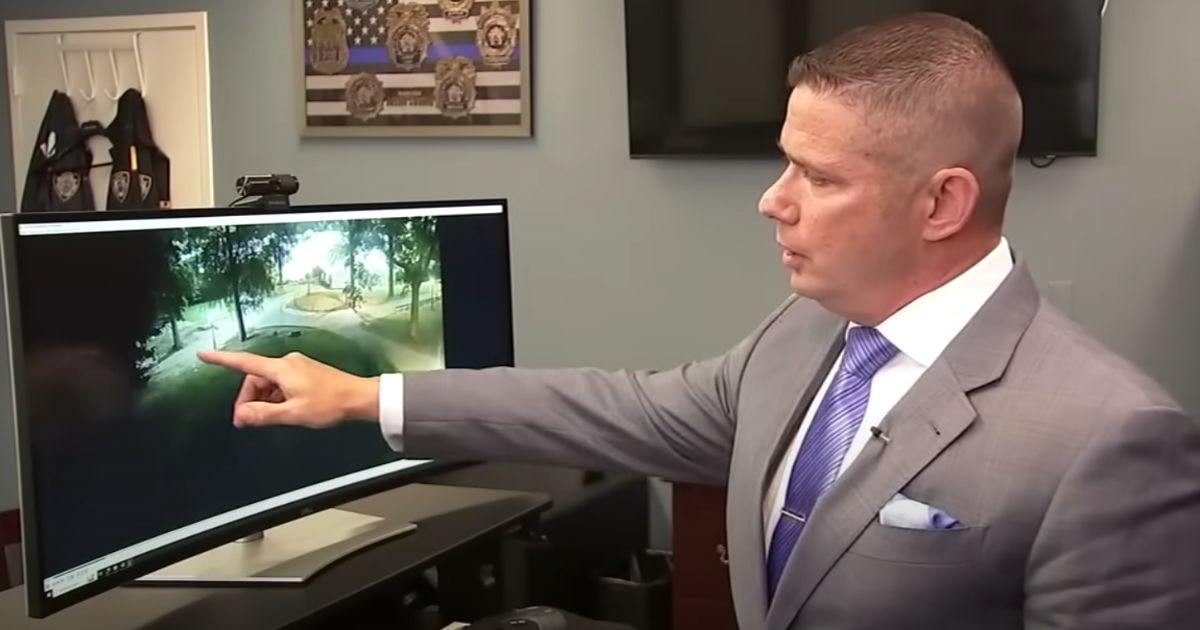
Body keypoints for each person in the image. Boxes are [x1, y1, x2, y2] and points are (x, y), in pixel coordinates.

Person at [199, 12, 1200, 630]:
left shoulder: (1110, 441)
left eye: (816, 175)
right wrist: (365, 393)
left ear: (940, 203)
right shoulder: (801, 337)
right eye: (782, 161)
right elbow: (607, 408)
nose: (774, 200)